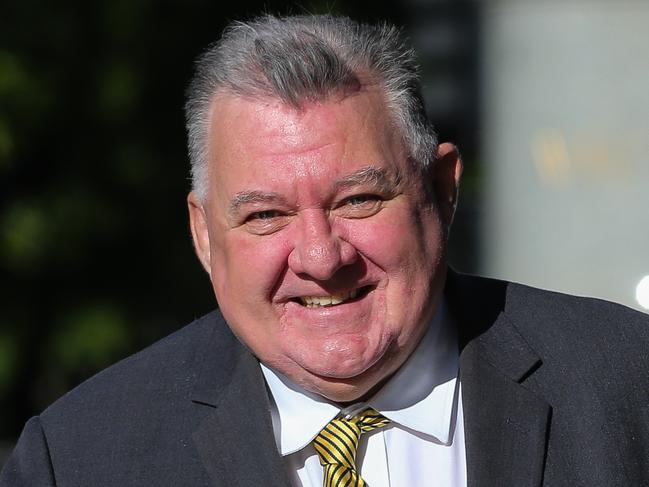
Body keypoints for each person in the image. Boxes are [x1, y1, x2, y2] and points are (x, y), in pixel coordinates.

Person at [2, 14, 648, 487]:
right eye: (265, 214)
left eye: (358, 200)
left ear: (441, 190)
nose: (319, 255)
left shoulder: (626, 381)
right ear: (203, 233)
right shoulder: (81, 456)